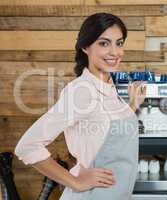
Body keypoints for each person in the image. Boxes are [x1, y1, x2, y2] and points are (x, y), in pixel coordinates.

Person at [14, 13, 146, 200]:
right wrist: (75, 181)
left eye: (119, 43)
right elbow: (27, 146)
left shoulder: (108, 86)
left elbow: (107, 130)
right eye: (104, 43)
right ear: (85, 46)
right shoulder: (81, 92)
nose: (115, 52)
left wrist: (132, 105)